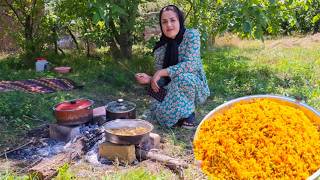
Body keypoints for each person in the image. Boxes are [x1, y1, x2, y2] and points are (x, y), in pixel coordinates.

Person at [135, 5, 210, 128]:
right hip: (171, 88)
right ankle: (177, 116)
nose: (169, 25)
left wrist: (161, 72)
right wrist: (150, 79)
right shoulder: (160, 48)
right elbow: (163, 80)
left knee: (183, 78)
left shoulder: (191, 36)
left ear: (179, 20)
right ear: (161, 25)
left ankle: (188, 115)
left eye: (173, 20)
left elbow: (191, 65)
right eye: (164, 22)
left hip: (193, 86)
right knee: (156, 107)